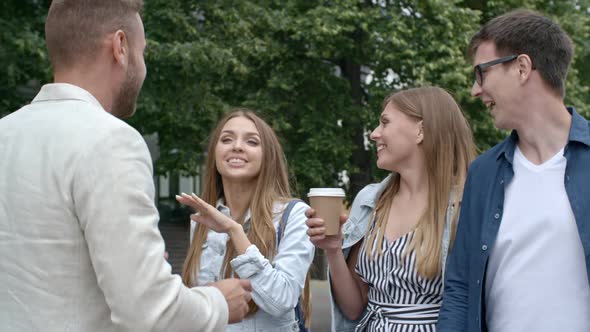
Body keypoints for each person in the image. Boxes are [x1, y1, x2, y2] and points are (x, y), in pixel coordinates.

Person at [0, 1, 251, 331]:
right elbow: (149, 312)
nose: (143, 67)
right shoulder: (111, 140)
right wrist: (218, 302)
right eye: (143, 53)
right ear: (120, 47)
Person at [437, 9, 590, 332]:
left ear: (522, 67)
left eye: (481, 73)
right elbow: (460, 287)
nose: (475, 91)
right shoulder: (482, 173)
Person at [306, 86, 477, 331]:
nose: (375, 134)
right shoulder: (370, 201)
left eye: (385, 123)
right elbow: (354, 308)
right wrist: (333, 250)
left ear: (420, 131)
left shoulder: (465, 205)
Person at [176, 109, 315, 332]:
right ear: (214, 154)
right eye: (227, 139)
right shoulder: (201, 219)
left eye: (251, 141)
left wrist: (234, 231)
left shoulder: (295, 215)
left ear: (268, 156)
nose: (237, 146)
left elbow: (281, 300)